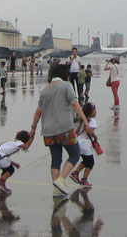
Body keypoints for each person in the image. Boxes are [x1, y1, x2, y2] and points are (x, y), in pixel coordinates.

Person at [26, 62, 93, 196]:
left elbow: (39, 111)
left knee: (56, 159)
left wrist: (33, 129)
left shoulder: (45, 90)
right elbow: (76, 104)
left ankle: (57, 190)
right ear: (65, 76)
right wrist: (85, 120)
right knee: (75, 154)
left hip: (48, 131)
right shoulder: (66, 85)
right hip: (65, 129)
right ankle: (61, 180)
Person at [0, 130, 30, 196]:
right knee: (10, 169)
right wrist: (32, 137)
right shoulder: (18, 143)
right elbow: (26, 146)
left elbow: (5, 156)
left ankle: (1, 188)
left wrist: (14, 163)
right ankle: (0, 182)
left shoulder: (9, 143)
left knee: (6, 170)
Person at [70, 102, 98, 188]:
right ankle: (84, 179)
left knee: (86, 161)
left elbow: (77, 131)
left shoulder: (83, 120)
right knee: (90, 163)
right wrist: (95, 137)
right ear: (91, 112)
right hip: (85, 144)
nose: (96, 112)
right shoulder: (92, 121)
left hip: (79, 142)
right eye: (95, 110)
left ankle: (75, 173)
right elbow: (89, 131)